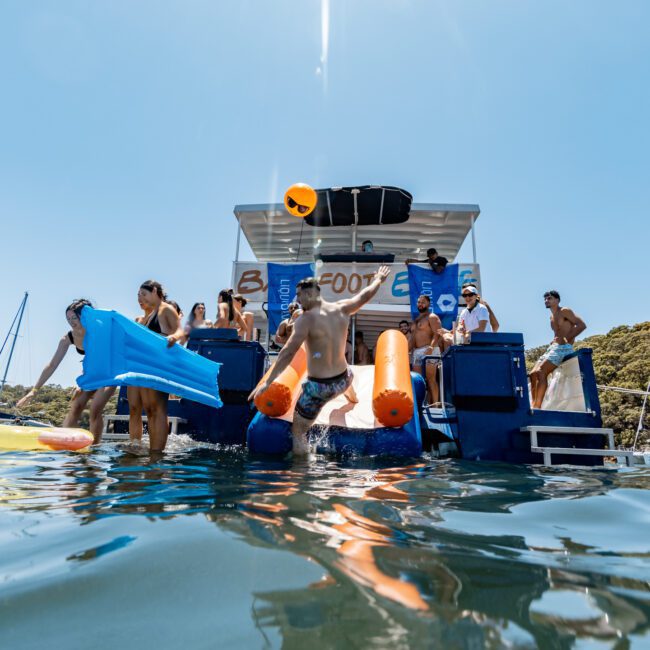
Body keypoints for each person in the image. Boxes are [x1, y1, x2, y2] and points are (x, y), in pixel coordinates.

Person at [249, 265, 392, 456]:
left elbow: (288, 352)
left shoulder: (305, 320)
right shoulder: (342, 308)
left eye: (299, 295)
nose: (298, 300)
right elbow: (364, 295)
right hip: (343, 379)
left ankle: (304, 472)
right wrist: (378, 279)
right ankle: (353, 398)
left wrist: (267, 381)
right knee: (346, 375)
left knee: (299, 431)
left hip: (319, 388)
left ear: (310, 294)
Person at [16, 299, 115, 442]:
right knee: (76, 404)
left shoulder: (100, 330)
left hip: (109, 374)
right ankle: (66, 443)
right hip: (90, 374)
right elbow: (52, 364)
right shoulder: (67, 338)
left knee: (94, 409)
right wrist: (34, 390)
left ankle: (95, 448)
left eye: (74, 317)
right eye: (68, 319)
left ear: (85, 316)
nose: (71, 321)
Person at [132, 280, 185, 453]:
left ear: (155, 291)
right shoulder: (150, 314)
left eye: (144, 294)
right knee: (149, 409)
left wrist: (173, 338)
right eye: (139, 295)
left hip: (161, 364)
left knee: (159, 408)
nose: (141, 298)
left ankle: (157, 453)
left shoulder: (166, 309)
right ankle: (153, 449)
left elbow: (180, 331)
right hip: (148, 365)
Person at [530, 290, 587, 409]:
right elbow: (558, 332)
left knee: (541, 372)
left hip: (564, 348)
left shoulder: (564, 311)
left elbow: (581, 325)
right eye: (545, 299)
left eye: (549, 298)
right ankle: (533, 405)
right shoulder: (551, 317)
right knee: (533, 374)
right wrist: (554, 340)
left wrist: (567, 338)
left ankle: (537, 407)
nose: (546, 301)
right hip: (554, 347)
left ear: (557, 300)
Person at [410, 295, 445, 404]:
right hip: (417, 352)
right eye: (419, 302)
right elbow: (412, 338)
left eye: (423, 302)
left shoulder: (432, 316)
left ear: (428, 304)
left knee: (431, 379)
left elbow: (437, 333)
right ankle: (421, 405)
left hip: (430, 349)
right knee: (418, 380)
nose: (420, 304)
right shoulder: (416, 320)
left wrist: (431, 347)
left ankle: (435, 405)